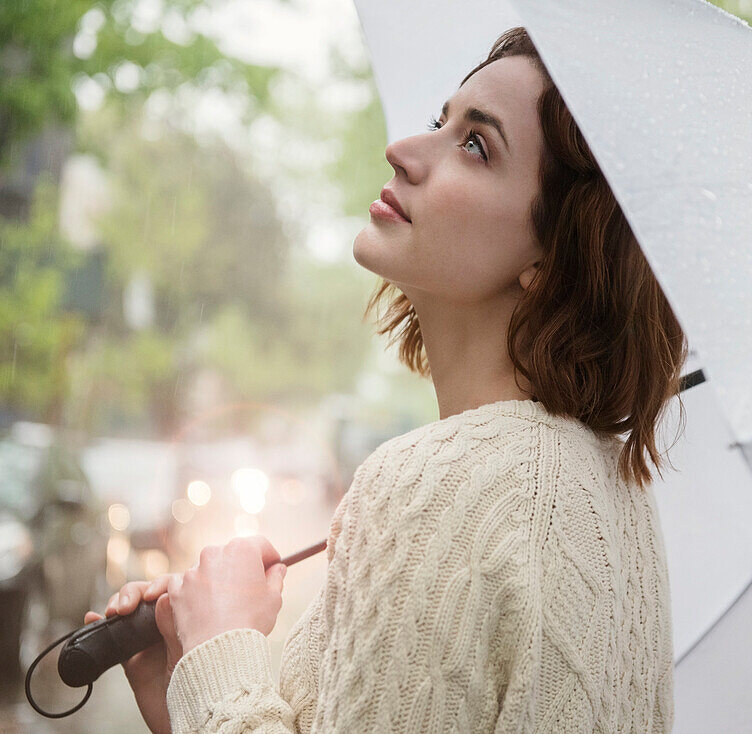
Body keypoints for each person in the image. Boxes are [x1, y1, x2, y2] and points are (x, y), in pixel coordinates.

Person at [86, 25, 687, 733]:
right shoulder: (621, 505)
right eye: (441, 120)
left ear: (551, 258)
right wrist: (180, 691)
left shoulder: (434, 486)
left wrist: (223, 644)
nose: (403, 151)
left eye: (475, 145)